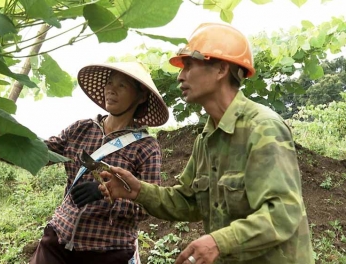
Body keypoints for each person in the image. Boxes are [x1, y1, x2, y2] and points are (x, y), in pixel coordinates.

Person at [99, 23, 314, 264]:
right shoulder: (206, 139)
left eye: (189, 65)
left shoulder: (263, 128)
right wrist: (138, 190)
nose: (180, 75)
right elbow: (189, 202)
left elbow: (283, 213)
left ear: (221, 69)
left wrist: (217, 242)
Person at [29, 62, 169, 264]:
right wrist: (13, 144)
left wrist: (107, 192)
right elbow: (43, 153)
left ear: (141, 96)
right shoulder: (82, 128)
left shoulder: (146, 147)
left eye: (122, 86)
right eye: (109, 83)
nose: (111, 90)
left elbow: (147, 205)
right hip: (57, 241)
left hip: (106, 251)